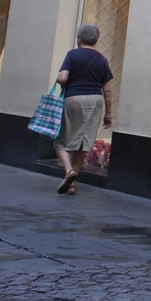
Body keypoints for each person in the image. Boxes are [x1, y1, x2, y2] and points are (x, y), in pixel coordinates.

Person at [54, 23, 114, 195]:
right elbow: (107, 90)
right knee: (84, 142)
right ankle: (72, 184)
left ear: (79, 38)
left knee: (61, 141)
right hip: (95, 101)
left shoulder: (72, 55)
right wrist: (108, 114)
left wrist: (59, 78)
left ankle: (68, 171)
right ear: (95, 40)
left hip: (74, 98)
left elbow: (63, 78)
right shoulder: (102, 59)